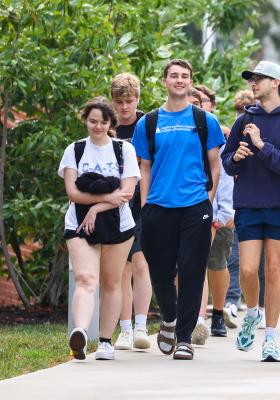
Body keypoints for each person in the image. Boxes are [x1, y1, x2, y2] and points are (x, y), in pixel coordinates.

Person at [132, 59, 224, 360]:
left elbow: (215, 164)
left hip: (195, 205)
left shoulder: (204, 120)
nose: (180, 80)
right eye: (174, 76)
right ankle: (169, 319)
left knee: (192, 271)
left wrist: (208, 200)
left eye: (185, 76)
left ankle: (183, 338)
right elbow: (143, 167)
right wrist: (145, 205)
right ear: (164, 81)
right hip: (158, 205)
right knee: (160, 271)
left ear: (191, 81)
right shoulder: (149, 122)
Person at [222, 60, 280, 362]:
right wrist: (238, 157)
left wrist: (260, 145)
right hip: (248, 203)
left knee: (272, 271)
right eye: (252, 79)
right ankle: (252, 312)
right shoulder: (243, 119)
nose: (254, 83)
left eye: (260, 78)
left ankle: (270, 338)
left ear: (277, 83)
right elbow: (227, 161)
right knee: (247, 270)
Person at [59, 97, 140, 360]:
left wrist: (96, 207)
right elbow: (72, 192)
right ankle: (80, 333)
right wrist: (102, 201)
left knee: (112, 282)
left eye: (103, 122)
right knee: (86, 279)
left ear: (111, 123)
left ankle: (106, 341)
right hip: (79, 224)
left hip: (118, 224)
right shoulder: (75, 150)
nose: (97, 126)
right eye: (92, 121)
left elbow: (126, 192)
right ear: (85, 121)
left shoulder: (122, 150)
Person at [186, 86, 235, 344]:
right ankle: (196, 318)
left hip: (219, 210)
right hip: (190, 209)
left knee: (216, 264)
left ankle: (217, 312)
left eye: (201, 102)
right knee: (195, 264)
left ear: (211, 105)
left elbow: (224, 173)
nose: (197, 106)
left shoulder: (217, 133)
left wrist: (225, 210)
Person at [110, 73, 152, 351]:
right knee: (121, 269)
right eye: (119, 101)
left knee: (141, 263)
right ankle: (124, 329)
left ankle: (141, 326)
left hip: (143, 203)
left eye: (129, 101)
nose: (124, 107)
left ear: (137, 99)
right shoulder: (106, 126)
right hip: (114, 203)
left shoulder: (148, 124)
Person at [223, 89, 262, 329]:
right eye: (239, 109)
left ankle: (247, 304)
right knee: (233, 260)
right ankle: (232, 302)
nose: (242, 114)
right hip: (234, 204)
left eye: (246, 109)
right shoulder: (230, 134)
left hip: (257, 203)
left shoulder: (262, 131)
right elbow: (226, 169)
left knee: (253, 262)